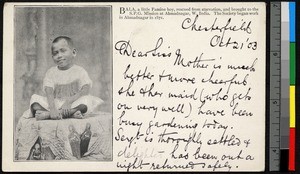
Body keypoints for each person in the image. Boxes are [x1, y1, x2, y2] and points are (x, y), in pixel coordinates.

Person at [30, 36, 102, 120]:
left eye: (63, 51)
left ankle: (48, 115)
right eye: (55, 53)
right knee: (34, 101)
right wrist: (53, 109)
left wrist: (69, 101)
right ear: (52, 57)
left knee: (86, 101)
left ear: (73, 52)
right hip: (55, 103)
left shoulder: (80, 71)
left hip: (73, 102)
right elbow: (49, 92)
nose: (59, 55)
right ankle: (70, 114)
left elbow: (85, 89)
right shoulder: (51, 72)